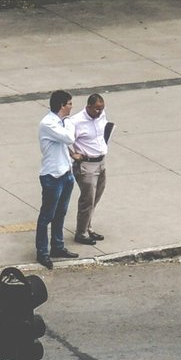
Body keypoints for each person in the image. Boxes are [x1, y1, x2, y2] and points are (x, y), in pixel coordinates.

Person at [36, 90, 78, 270]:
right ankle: (42, 252)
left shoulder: (60, 123)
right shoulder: (49, 124)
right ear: (61, 105)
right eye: (69, 103)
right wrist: (69, 122)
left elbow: (65, 145)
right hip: (52, 176)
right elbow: (69, 137)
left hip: (66, 173)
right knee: (47, 216)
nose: (71, 106)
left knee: (61, 213)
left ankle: (57, 246)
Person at [71, 93, 110, 246]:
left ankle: (88, 226)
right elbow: (65, 140)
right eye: (96, 109)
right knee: (87, 199)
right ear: (88, 107)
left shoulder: (101, 116)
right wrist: (73, 154)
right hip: (86, 165)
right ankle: (81, 232)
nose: (99, 112)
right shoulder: (76, 122)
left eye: (101, 109)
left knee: (96, 197)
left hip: (101, 161)